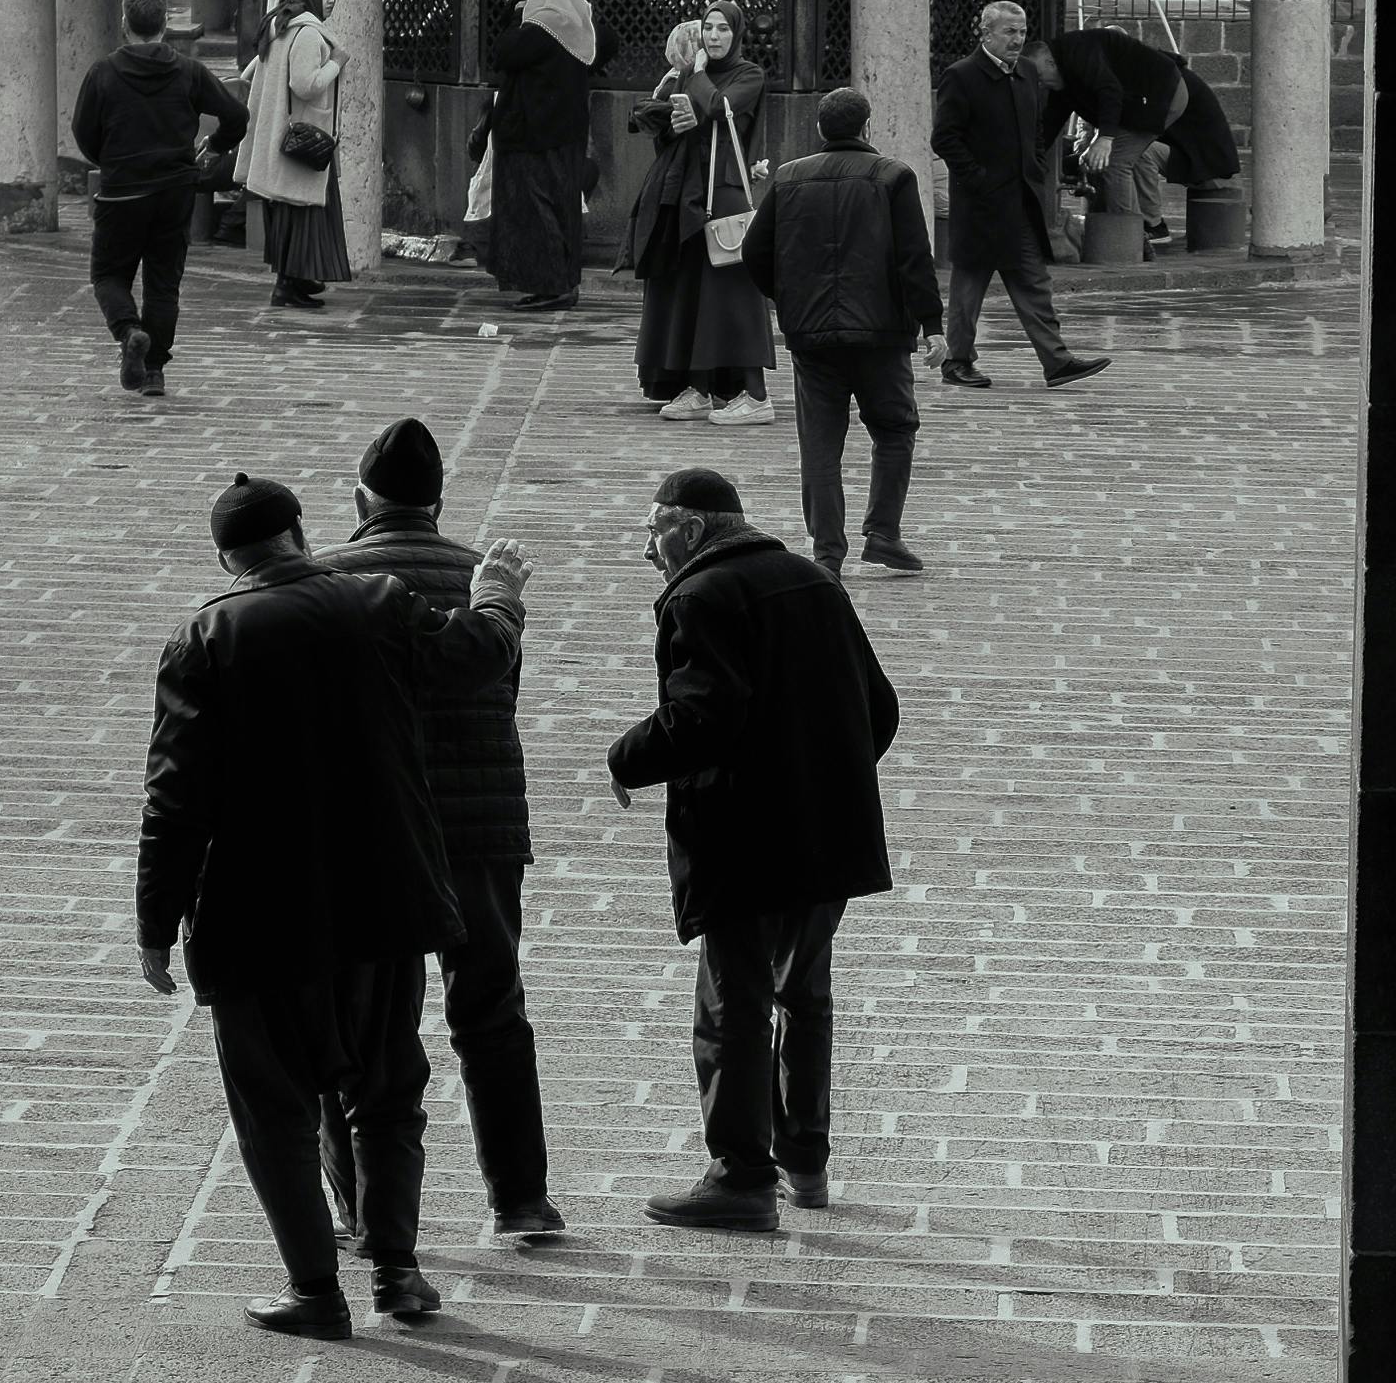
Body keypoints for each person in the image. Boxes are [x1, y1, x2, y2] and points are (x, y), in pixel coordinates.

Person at [134, 470, 484, 1334]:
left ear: (227, 554)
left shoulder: (207, 637)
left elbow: (175, 801)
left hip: (259, 918)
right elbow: (469, 661)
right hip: (386, 901)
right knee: (389, 1087)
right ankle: (399, 1273)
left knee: (274, 1110)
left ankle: (316, 1292)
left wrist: (154, 923)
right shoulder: (379, 601)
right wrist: (501, 604)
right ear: (300, 533)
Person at [606, 465, 900, 1230]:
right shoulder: (811, 580)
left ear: (692, 529)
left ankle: (741, 1176)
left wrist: (627, 756)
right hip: (826, 836)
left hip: (744, 839)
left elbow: (703, 717)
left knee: (731, 1003)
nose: (647, 551)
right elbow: (880, 706)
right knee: (804, 997)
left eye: (652, 531)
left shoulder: (702, 596)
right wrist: (819, 780)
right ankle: (805, 1164)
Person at [311, 418, 563, 1243]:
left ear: (360, 501)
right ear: (438, 501)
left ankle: (355, 1208)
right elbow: (502, 691)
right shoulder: (481, 580)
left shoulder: (323, 583)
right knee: (491, 1005)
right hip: (479, 826)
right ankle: (521, 1200)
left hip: (367, 833)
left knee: (356, 1019)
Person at [740, 84, 942, 577]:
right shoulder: (893, 176)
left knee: (820, 442)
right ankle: (883, 532)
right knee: (894, 429)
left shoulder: (789, 177)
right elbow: (914, 258)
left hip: (812, 335)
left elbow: (752, 251)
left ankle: (827, 549)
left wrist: (787, 297)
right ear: (867, 127)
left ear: (819, 129)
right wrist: (933, 325)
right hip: (882, 334)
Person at [69, 0, 250, 394]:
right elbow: (237, 115)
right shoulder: (189, 71)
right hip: (175, 190)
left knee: (109, 274)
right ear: (166, 24)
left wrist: (111, 161)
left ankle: (129, 331)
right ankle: (154, 370)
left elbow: (83, 132)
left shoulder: (103, 73)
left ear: (123, 23)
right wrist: (214, 146)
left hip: (123, 192)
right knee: (163, 283)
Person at [929, 0, 1110, 393]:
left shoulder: (1027, 72)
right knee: (968, 287)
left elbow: (1037, 129)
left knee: (1033, 282)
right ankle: (957, 361)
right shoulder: (961, 76)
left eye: (1022, 31)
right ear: (986, 34)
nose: (1017, 39)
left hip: (1019, 202)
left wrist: (1036, 167)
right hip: (979, 204)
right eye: (1009, 32)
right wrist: (978, 179)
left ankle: (1057, 361)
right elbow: (944, 137)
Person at [621, 0, 775, 425]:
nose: (714, 36)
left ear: (737, 33)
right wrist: (675, 112)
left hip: (723, 189)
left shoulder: (749, 74)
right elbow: (662, 117)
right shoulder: (689, 73)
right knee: (693, 291)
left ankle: (756, 394)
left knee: (733, 292)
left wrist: (699, 76)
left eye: (723, 29)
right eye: (708, 28)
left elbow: (715, 108)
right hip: (688, 190)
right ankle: (700, 388)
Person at [1037, 22, 1240, 250]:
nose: (1041, 85)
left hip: (1204, 160)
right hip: (1171, 143)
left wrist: (1104, 140)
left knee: (1118, 159)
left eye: (1040, 77)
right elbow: (1060, 121)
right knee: (1105, 157)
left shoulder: (1153, 81)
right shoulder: (1077, 75)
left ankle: (1139, 232)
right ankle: (1114, 226)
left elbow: (1111, 100)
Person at [485, 0, 609, 312]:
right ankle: (563, 282)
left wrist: (521, 15)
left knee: (536, 211)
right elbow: (607, 44)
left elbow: (503, 52)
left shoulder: (538, 28)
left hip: (532, 138)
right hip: (567, 137)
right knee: (562, 207)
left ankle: (551, 285)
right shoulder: (578, 26)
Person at [240, 0, 351, 311]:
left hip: (277, 139)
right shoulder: (306, 34)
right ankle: (290, 285)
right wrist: (337, 61)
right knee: (302, 214)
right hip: (303, 141)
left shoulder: (278, 26)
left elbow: (248, 73)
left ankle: (294, 282)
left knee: (288, 214)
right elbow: (304, 85)